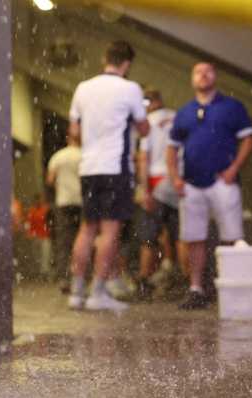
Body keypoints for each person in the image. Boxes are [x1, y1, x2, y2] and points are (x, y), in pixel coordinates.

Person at [66, 40, 150, 311]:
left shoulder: (83, 88)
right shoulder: (130, 88)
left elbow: (75, 132)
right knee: (110, 231)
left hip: (89, 168)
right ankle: (97, 293)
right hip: (115, 167)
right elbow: (144, 128)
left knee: (87, 229)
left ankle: (76, 292)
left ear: (105, 58)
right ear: (126, 64)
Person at [166, 62, 252, 310]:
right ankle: (196, 289)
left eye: (208, 71)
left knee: (233, 236)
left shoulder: (232, 107)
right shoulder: (184, 112)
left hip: (223, 181)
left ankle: (234, 288)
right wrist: (175, 177)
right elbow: (171, 148)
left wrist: (234, 168)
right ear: (192, 78)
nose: (203, 75)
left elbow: (248, 139)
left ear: (216, 76)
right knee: (194, 238)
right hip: (192, 184)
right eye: (197, 72)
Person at [135, 89, 181, 300]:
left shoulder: (147, 122)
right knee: (180, 235)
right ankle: (185, 280)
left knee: (149, 237)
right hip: (178, 179)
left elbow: (144, 158)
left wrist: (145, 190)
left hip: (155, 180)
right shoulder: (179, 117)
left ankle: (144, 283)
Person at [46, 133, 82, 293]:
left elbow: (50, 180)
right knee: (81, 240)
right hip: (81, 202)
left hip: (63, 202)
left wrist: (61, 189)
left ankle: (64, 278)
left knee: (63, 241)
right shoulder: (84, 155)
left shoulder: (58, 157)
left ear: (68, 139)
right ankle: (80, 277)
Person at [26, 193, 52, 279]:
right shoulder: (32, 211)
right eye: (36, 200)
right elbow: (29, 224)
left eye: (39, 200)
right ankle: (39, 272)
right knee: (37, 255)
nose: (37, 202)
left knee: (46, 254)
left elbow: (50, 222)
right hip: (36, 237)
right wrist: (30, 234)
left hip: (45, 236)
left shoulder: (46, 209)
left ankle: (45, 272)